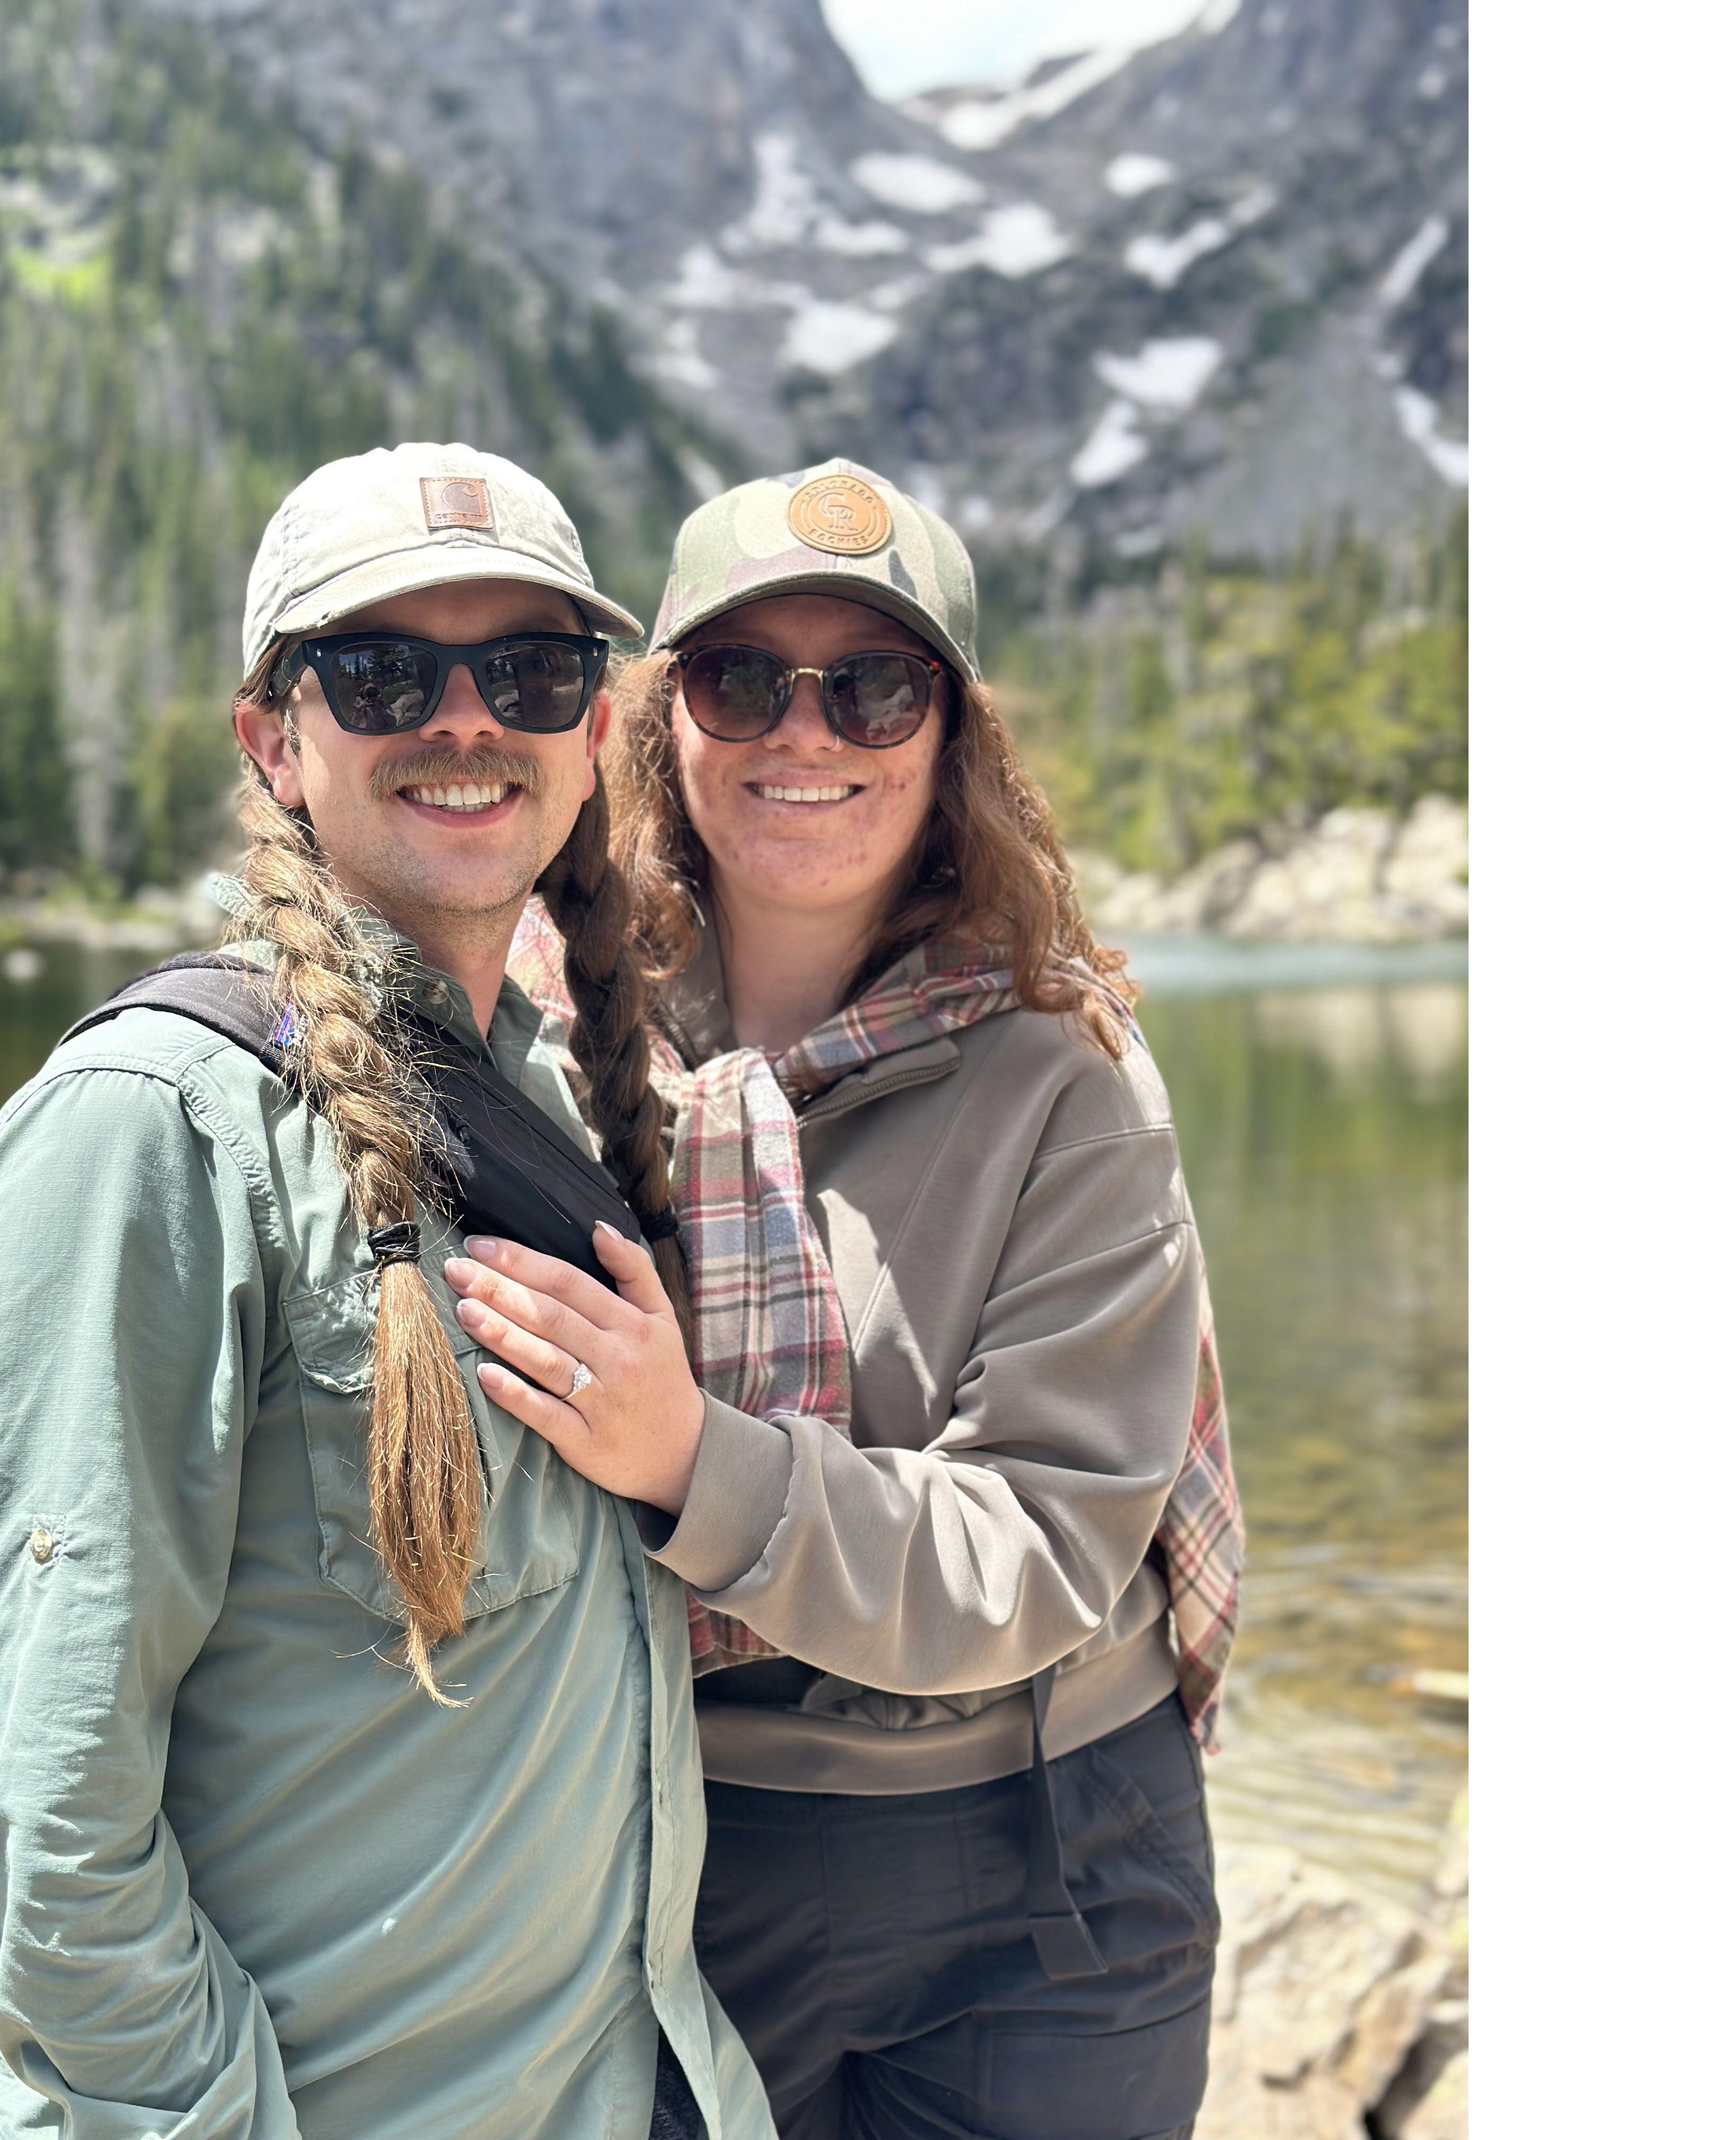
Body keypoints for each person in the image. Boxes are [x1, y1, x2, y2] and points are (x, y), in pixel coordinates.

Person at [0, 443, 776, 2140]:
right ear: (274, 739)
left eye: (530, 668)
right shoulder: (141, 1135)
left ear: (595, 733)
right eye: (381, 672)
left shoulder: (550, 1084)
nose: (467, 721)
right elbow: (29, 1776)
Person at [452, 460, 1241, 2140]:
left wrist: (689, 1460)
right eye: (744, 684)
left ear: (948, 736)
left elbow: (1036, 1553)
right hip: (664, 1851)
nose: (806, 737)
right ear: (665, 727)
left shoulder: (1071, 1075)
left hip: (1052, 1866)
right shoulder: (524, 1036)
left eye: (873, 688)